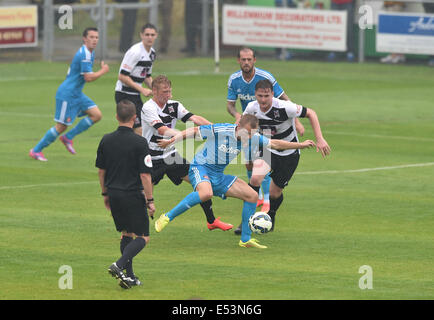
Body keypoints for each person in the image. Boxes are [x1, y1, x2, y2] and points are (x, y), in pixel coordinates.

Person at [154, 114, 315, 249]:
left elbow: (275, 144)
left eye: (252, 134)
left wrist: (300, 145)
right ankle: (167, 217)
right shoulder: (222, 129)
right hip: (200, 168)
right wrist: (171, 140)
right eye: (247, 133)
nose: (249, 137)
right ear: (238, 127)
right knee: (206, 193)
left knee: (252, 196)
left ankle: (245, 239)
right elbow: (193, 130)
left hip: (218, 175)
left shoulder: (252, 137)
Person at [227, 46, 305, 233]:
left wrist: (297, 121)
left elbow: (284, 100)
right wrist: (240, 117)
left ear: (254, 60)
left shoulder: (265, 78)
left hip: (271, 132)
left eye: (249, 59)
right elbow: (230, 105)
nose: (246, 62)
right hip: (252, 128)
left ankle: (268, 207)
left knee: (274, 188)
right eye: (243, 59)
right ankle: (249, 216)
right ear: (238, 60)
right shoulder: (234, 80)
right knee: (251, 169)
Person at [141, 75, 233, 231]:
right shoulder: (148, 108)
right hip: (152, 157)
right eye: (165, 92)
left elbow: (194, 117)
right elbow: (162, 129)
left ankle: (211, 221)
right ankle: (137, 228)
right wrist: (182, 135)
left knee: (201, 184)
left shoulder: (174, 105)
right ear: (154, 91)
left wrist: (216, 129)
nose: (168, 95)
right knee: (144, 195)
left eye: (169, 91)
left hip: (171, 156)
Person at [243, 79, 331, 231]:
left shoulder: (284, 107)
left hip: (289, 153)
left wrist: (320, 139)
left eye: (266, 96)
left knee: (274, 192)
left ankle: (271, 214)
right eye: (260, 96)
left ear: (272, 94)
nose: (263, 100)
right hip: (268, 149)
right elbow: (242, 124)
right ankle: (246, 220)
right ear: (255, 95)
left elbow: (311, 113)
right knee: (255, 178)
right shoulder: (252, 107)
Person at [96, 100, 155, 289]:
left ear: (116, 117)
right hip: (132, 194)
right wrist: (150, 200)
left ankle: (129, 277)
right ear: (134, 118)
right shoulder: (140, 142)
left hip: (113, 194)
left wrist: (105, 193)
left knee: (126, 234)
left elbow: (101, 171)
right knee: (143, 237)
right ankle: (119, 265)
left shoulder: (106, 139)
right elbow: (145, 174)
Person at [29, 27, 109, 161]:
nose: (94, 40)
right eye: (91, 37)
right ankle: (36, 150)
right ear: (84, 38)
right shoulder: (85, 54)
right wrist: (103, 71)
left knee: (96, 115)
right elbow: (88, 78)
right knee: (61, 126)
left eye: (96, 37)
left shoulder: (90, 52)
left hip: (77, 93)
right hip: (67, 94)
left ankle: (68, 137)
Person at [115, 23, 158, 135]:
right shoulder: (135, 52)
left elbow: (147, 76)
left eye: (152, 35)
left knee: (141, 127)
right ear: (141, 35)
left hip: (135, 96)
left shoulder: (152, 53)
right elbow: (122, 76)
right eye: (147, 34)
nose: (150, 37)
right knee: (138, 129)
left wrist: (157, 91)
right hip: (124, 94)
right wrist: (142, 90)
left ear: (156, 36)